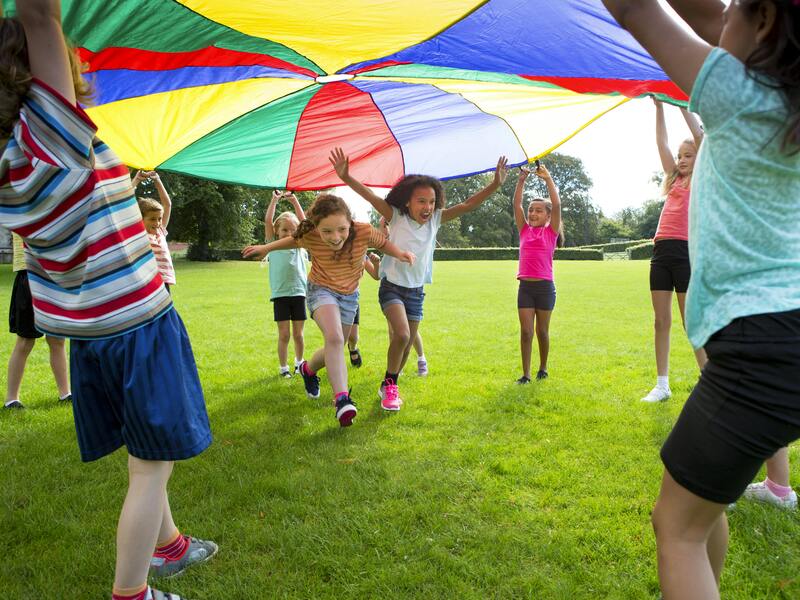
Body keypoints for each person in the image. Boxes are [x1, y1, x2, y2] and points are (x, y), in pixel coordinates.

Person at [0, 3, 216, 599]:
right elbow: (40, 15)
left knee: (146, 450)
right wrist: (38, 24)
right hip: (137, 325)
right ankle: (133, 593)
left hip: (89, 332)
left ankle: (169, 547)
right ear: (35, 80)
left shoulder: (8, 167)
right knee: (152, 468)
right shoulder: (52, 136)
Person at [600, 1, 800, 598]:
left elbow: (637, 8)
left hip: (758, 347)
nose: (719, 18)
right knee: (702, 507)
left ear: (763, 23)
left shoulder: (739, 95)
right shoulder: (786, 105)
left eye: (734, 8)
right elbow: (717, 22)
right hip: (782, 342)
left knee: (677, 528)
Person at [331, 148, 508, 410]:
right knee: (401, 335)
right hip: (391, 287)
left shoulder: (436, 219)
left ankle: (388, 384)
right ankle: (392, 385)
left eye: (432, 201)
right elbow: (369, 196)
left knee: (405, 345)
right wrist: (346, 177)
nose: (428, 207)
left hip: (416, 292)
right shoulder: (396, 216)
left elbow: (468, 205)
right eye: (421, 201)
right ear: (407, 203)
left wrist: (494, 184)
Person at [243, 194, 415, 426]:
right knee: (334, 338)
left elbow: (383, 243)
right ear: (317, 228)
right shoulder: (310, 235)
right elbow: (292, 241)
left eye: (342, 229)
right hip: (321, 291)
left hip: (349, 296)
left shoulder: (363, 231)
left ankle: (308, 370)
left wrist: (400, 254)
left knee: (336, 345)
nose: (335, 238)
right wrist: (267, 248)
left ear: (350, 223)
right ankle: (342, 400)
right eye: (327, 232)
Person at [641, 99, 708, 403]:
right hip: (661, 252)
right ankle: (662, 384)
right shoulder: (673, 181)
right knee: (660, 320)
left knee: (689, 321)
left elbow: (701, 138)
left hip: (685, 253)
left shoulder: (703, 178)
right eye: (680, 156)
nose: (681, 160)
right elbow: (660, 141)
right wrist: (658, 106)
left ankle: (709, 380)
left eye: (688, 155)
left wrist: (681, 103)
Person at [4, 232, 71, 409]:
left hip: (53, 276)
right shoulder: (21, 210)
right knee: (25, 340)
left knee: (57, 339)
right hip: (29, 275)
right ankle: (11, 399)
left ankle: (65, 394)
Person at [512, 163, 563, 384]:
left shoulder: (551, 233)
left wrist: (547, 178)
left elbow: (558, 203)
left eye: (538, 210)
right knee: (526, 332)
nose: (532, 213)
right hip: (525, 288)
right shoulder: (524, 229)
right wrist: (521, 180)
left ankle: (543, 367)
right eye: (531, 209)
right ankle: (526, 374)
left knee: (542, 332)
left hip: (545, 289)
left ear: (548, 216)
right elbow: (516, 205)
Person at [263, 190, 307, 378]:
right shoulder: (272, 244)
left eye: (292, 230)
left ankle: (299, 364)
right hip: (280, 295)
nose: (289, 233)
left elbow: (305, 223)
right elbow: (267, 221)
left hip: (299, 294)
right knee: (284, 335)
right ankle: (283, 368)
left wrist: (294, 200)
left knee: (298, 334)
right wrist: (274, 199)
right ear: (276, 232)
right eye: (284, 230)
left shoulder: (300, 244)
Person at [134, 171, 176, 293]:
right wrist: (136, 180)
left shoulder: (161, 231)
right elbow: (122, 203)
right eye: (152, 219)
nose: (157, 223)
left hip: (164, 282)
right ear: (140, 219)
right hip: (147, 282)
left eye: (159, 219)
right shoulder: (139, 233)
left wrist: (157, 180)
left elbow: (167, 205)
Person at [347, 252, 381, 368]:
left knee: (353, 337)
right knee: (336, 337)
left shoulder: (360, 251)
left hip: (352, 298)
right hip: (332, 298)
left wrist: (376, 264)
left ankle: (352, 348)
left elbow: (376, 276)